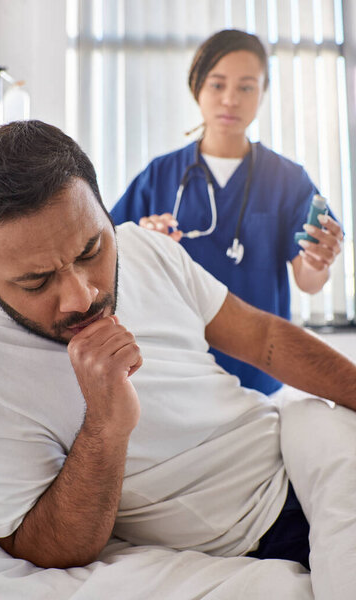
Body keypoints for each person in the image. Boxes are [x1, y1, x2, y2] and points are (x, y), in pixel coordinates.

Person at [0, 121, 355, 600]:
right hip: (251, 539)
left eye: (91, 249)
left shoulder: (144, 247)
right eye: (37, 282)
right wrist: (106, 425)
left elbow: (264, 339)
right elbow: (47, 549)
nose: (83, 297)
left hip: (296, 454)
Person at [110, 29, 343, 396]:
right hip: (178, 373)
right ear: (197, 88)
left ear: (262, 93)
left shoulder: (288, 179)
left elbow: (309, 281)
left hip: (261, 377)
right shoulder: (160, 175)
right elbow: (108, 261)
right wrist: (143, 243)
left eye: (247, 87)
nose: (230, 99)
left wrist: (319, 259)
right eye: (217, 85)